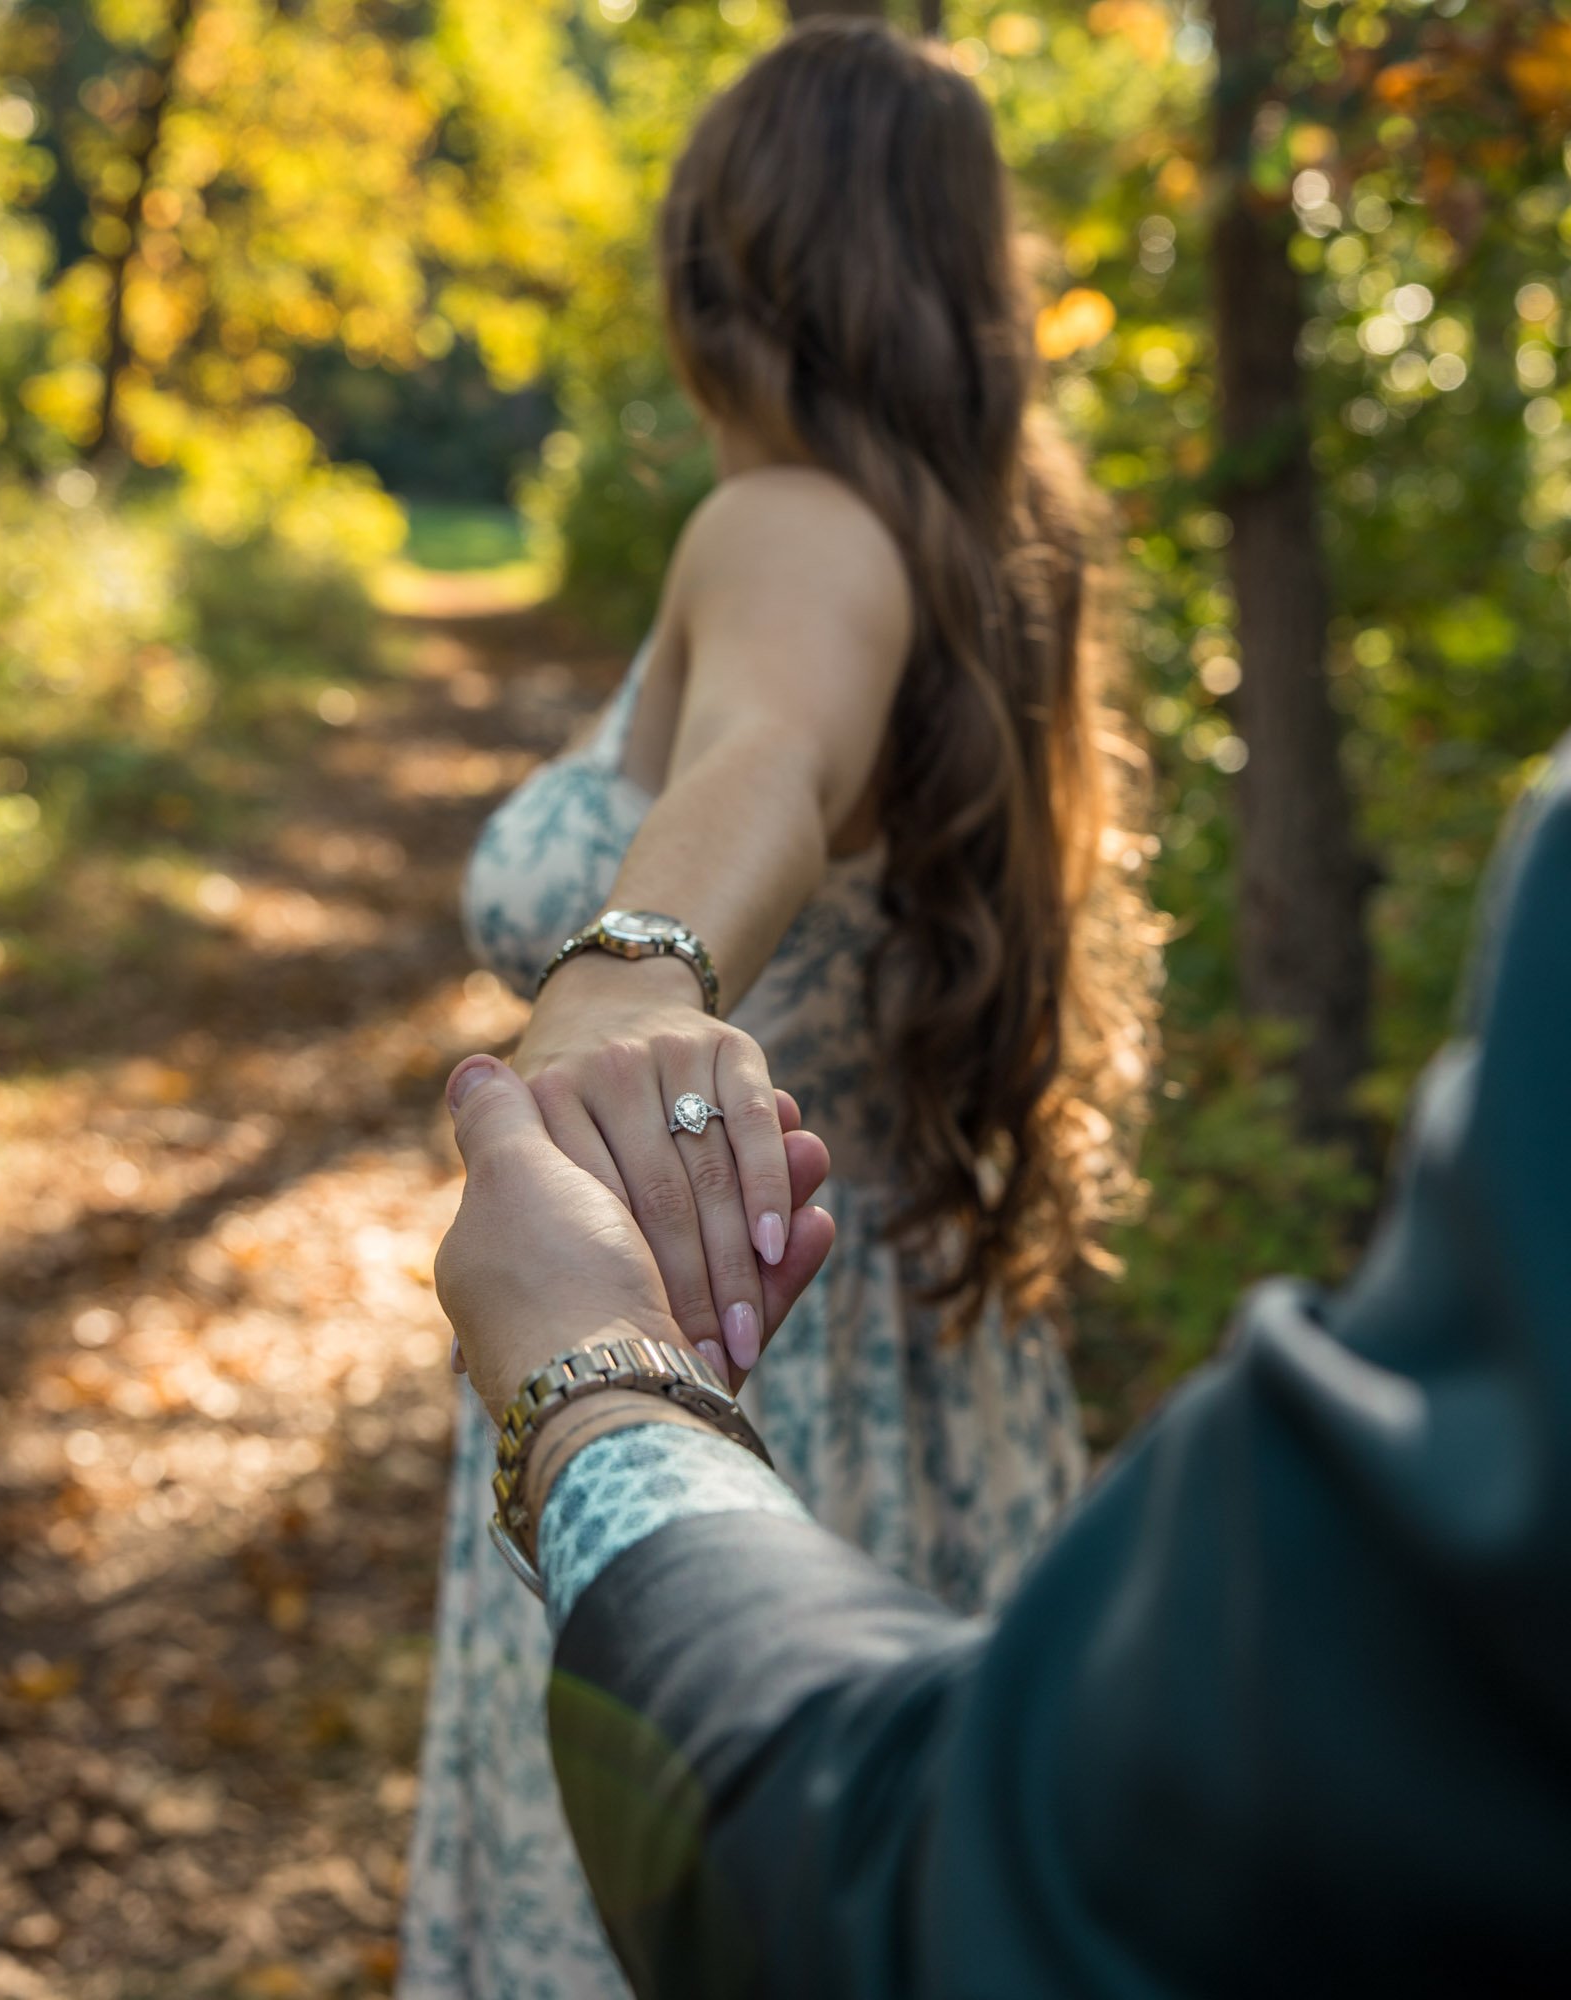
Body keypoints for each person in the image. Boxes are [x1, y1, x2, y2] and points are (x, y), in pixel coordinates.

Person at [400, 21, 1158, 1995]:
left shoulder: (787, 525)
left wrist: (623, 968)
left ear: (716, 264)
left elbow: (758, 754)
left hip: (717, 1393)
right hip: (932, 1378)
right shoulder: (981, 545)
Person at [432, 734, 1571, 1997]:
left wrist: (593, 1371)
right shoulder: (1006, 560)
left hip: (759, 1414)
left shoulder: (804, 524)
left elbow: (951, 1896)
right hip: (938, 1366)